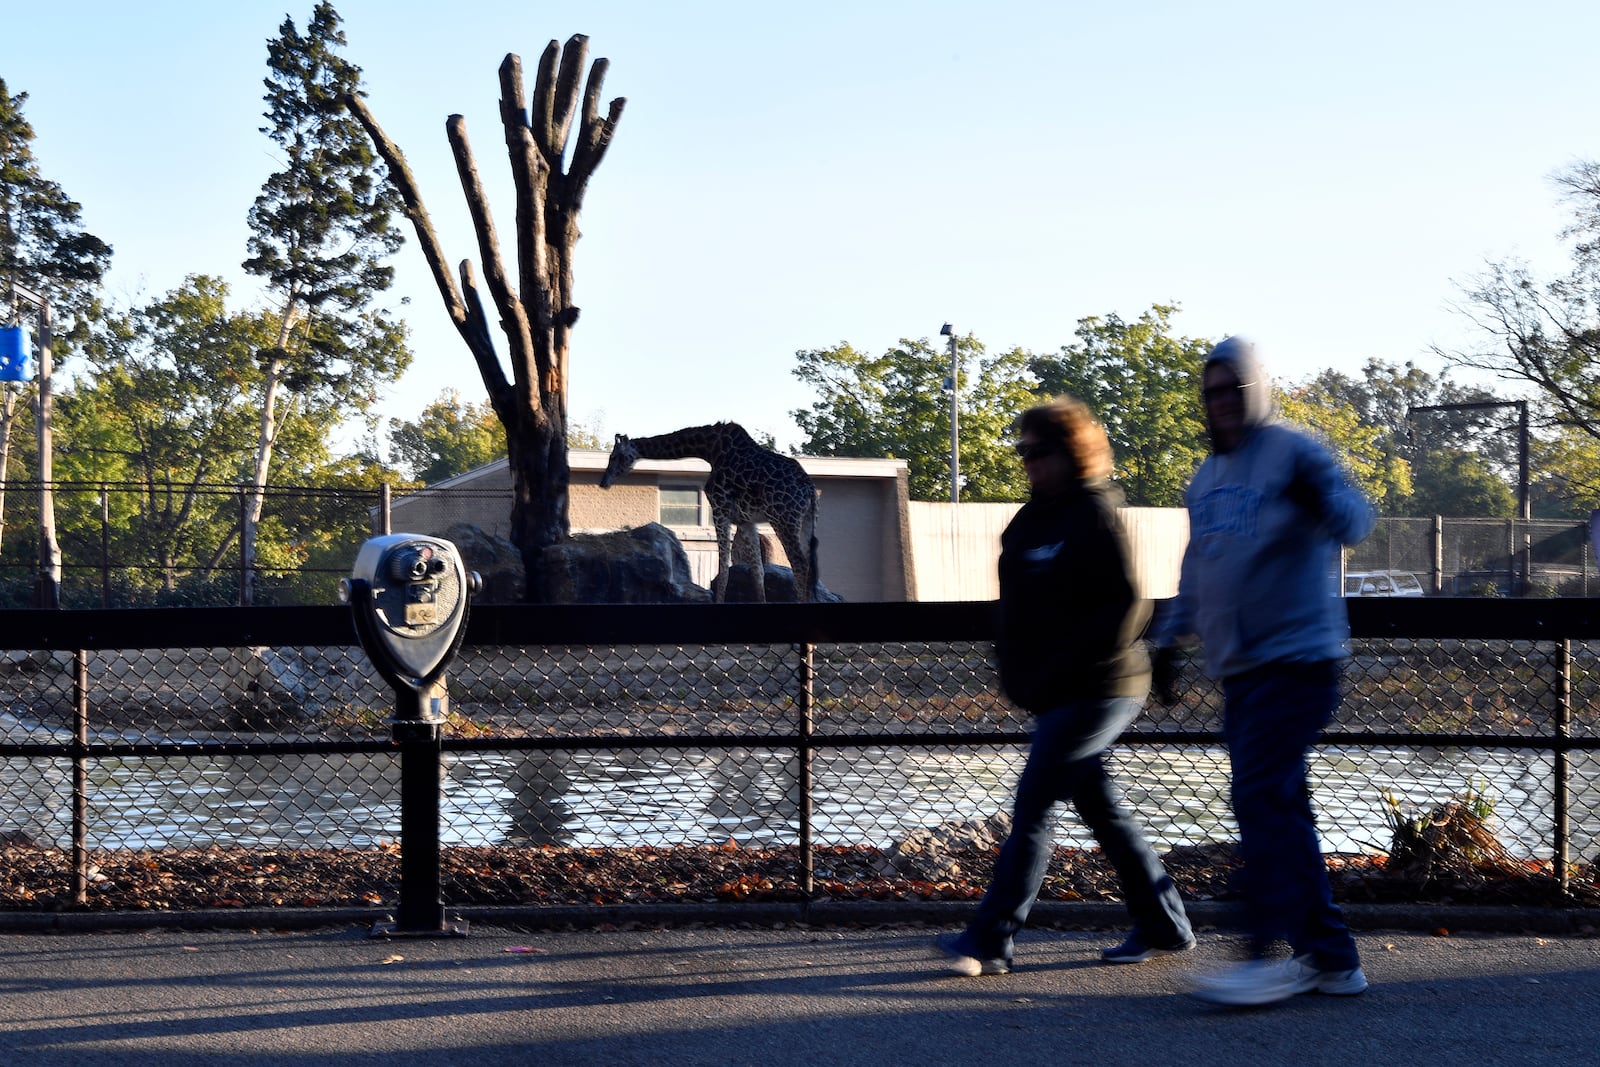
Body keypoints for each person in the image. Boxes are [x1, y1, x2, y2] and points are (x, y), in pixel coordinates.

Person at [1151, 336, 1376, 1006]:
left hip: (1300, 657)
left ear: (1255, 391)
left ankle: (1260, 953)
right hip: (1242, 669)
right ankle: (1332, 957)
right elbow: (1200, 566)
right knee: (1281, 808)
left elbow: (1356, 519)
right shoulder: (1205, 476)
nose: (1220, 403)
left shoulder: (1295, 451)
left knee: (1258, 799)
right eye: (1210, 393)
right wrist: (1169, 639)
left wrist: (1320, 500)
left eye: (1232, 390)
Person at [937, 396, 1193, 976]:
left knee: (1031, 805)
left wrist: (1074, 668)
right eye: (1022, 452)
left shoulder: (1095, 514)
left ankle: (989, 939)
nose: (1029, 463)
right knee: (1102, 810)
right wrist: (1018, 674)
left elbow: (1132, 603)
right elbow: (1012, 612)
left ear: (1071, 452)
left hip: (1104, 687)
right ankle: (1165, 924)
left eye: (1039, 452)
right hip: (1056, 693)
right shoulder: (1027, 525)